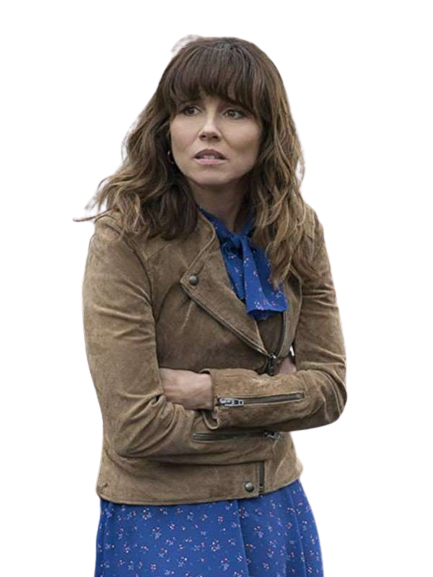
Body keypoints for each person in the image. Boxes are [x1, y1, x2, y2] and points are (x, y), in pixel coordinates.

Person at [79, 34, 347, 577]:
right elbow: (136, 428)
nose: (207, 129)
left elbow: (330, 391)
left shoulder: (299, 229)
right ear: (166, 128)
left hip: (276, 506)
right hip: (163, 516)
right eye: (189, 110)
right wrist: (273, 415)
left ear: (266, 131)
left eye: (234, 112)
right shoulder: (124, 237)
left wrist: (210, 391)